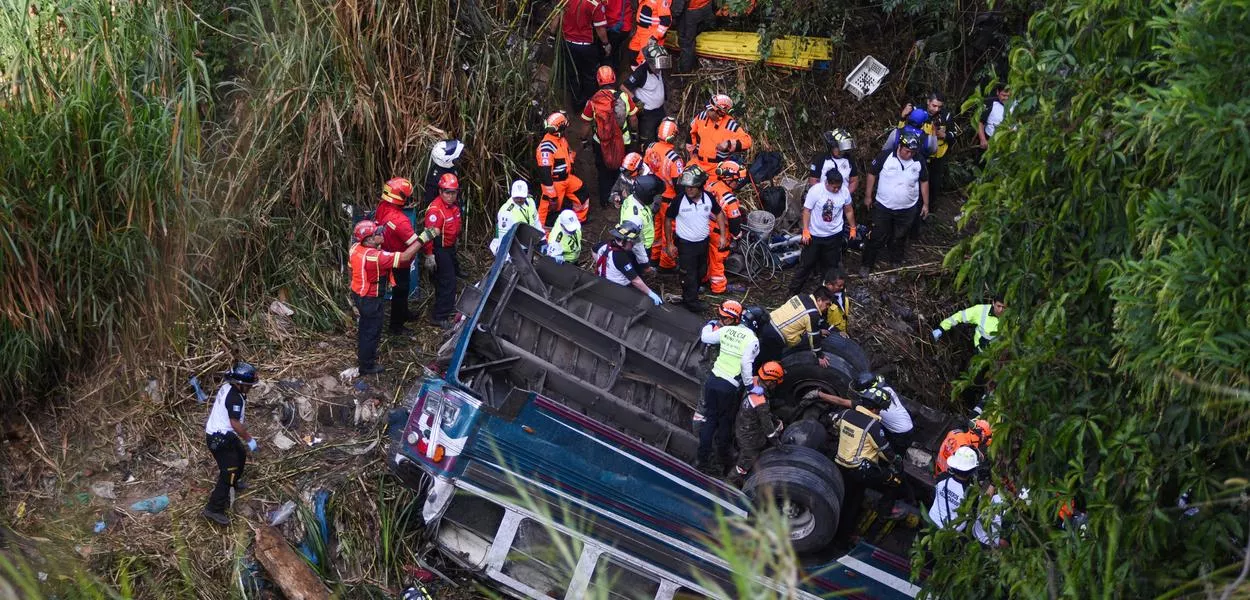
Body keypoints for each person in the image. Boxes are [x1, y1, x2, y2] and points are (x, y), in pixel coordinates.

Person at [350, 220, 433, 373]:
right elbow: (405, 257)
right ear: (369, 240)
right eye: (377, 233)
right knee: (371, 330)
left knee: (366, 327)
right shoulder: (375, 257)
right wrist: (423, 238)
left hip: (358, 293)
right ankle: (366, 366)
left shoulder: (356, 248)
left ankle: (366, 355)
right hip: (370, 298)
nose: (382, 233)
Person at [833, 385, 910, 538]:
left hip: (840, 464)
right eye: (880, 409)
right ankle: (882, 516)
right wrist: (897, 461)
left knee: (850, 498)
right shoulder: (872, 425)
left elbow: (836, 424)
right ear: (874, 409)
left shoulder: (845, 414)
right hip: (860, 470)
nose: (880, 412)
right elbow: (885, 452)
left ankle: (840, 531)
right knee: (895, 481)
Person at [694, 300, 757, 474]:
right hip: (728, 386)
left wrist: (709, 325)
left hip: (712, 381)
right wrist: (750, 385)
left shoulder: (725, 331)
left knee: (710, 419)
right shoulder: (751, 339)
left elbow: (706, 337)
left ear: (733, 319)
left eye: (723, 318)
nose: (720, 320)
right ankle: (723, 459)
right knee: (724, 422)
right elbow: (746, 364)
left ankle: (702, 459)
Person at [861, 133, 929, 274]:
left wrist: (926, 204)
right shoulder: (886, 156)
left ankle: (895, 264)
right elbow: (872, 173)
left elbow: (924, 181)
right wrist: (868, 195)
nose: (910, 154)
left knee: (900, 237)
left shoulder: (919, 160)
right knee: (876, 235)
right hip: (883, 206)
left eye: (913, 152)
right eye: (907, 151)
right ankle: (867, 264)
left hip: (907, 208)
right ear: (900, 146)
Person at [201, 362, 260, 525]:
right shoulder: (235, 397)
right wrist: (249, 439)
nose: (250, 388)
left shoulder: (228, 387)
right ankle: (213, 509)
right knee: (228, 471)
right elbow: (235, 423)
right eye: (248, 385)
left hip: (224, 433)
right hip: (219, 438)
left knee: (240, 454)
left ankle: (234, 481)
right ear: (239, 383)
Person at [664, 166, 728, 312]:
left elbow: (719, 213)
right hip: (686, 245)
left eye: (692, 187)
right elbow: (668, 219)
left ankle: (692, 293)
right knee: (689, 274)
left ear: (700, 186)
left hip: (703, 243)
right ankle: (691, 303)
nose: (689, 190)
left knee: (701, 271)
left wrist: (723, 236)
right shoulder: (679, 200)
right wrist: (669, 244)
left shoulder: (708, 198)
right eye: (687, 187)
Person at [788, 169, 857, 296]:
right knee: (806, 264)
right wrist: (805, 230)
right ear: (827, 183)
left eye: (839, 187)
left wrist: (853, 227)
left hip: (834, 235)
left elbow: (848, 210)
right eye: (834, 187)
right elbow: (807, 211)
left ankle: (826, 293)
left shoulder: (844, 191)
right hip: (815, 235)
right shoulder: (816, 191)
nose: (837, 190)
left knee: (831, 266)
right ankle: (793, 291)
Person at [582, 66, 639, 209]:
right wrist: (634, 133)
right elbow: (633, 119)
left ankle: (604, 201)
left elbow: (586, 124)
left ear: (598, 80)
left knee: (603, 171)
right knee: (623, 169)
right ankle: (621, 200)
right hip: (623, 140)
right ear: (614, 78)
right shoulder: (624, 97)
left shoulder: (593, 101)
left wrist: (584, 140)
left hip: (601, 142)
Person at [375, 177, 421, 335]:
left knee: (400, 290)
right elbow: (415, 243)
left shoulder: (382, 207)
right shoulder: (400, 221)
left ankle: (404, 312)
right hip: (401, 260)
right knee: (401, 291)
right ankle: (396, 326)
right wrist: (428, 236)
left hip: (387, 253)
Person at [729, 361, 786, 486]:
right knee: (747, 459)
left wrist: (773, 418)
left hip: (740, 422)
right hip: (749, 435)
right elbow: (768, 430)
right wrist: (778, 444)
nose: (776, 386)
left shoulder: (753, 380)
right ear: (770, 382)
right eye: (776, 383)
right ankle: (731, 480)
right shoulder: (762, 403)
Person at [643, 117, 685, 270]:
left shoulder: (650, 147)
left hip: (653, 197)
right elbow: (679, 185)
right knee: (669, 233)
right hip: (668, 200)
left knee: (656, 229)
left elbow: (645, 168)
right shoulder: (674, 159)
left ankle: (654, 258)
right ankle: (667, 264)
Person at [555, 0, 610, 111]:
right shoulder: (594, 4)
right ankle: (586, 106)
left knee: (572, 74)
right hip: (585, 46)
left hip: (568, 44)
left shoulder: (565, 1)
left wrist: (552, 35)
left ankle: (575, 103)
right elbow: (600, 29)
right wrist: (606, 44)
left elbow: (556, 17)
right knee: (589, 76)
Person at [423, 174, 462, 330]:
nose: (451, 196)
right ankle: (439, 316)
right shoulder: (436, 210)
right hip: (439, 249)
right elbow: (428, 234)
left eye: (454, 192)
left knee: (449, 280)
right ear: (440, 191)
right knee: (447, 282)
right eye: (447, 192)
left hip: (450, 248)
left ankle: (446, 306)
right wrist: (429, 254)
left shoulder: (453, 206)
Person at [591, 221, 664, 305]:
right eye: (632, 243)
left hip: (603, 280)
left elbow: (593, 250)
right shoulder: (621, 257)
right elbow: (635, 281)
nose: (633, 245)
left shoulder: (604, 244)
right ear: (624, 241)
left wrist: (602, 264)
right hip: (620, 289)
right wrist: (650, 293)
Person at [901, 92, 956, 202]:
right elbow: (903, 130)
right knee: (915, 182)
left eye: (939, 107)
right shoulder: (917, 111)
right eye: (934, 106)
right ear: (928, 102)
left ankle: (930, 208)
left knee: (934, 184)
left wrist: (945, 135)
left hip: (938, 157)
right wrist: (903, 115)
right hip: (918, 154)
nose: (936, 109)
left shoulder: (946, 115)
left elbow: (954, 134)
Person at [702, 160, 747, 295]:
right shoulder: (729, 199)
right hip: (719, 233)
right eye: (737, 180)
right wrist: (737, 235)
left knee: (706, 256)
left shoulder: (711, 186)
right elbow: (734, 221)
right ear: (728, 179)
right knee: (718, 259)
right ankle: (718, 287)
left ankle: (704, 279)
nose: (738, 183)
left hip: (705, 227)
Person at [536, 111, 587, 227]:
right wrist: (552, 196)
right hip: (555, 183)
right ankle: (543, 232)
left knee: (581, 193)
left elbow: (568, 155)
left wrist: (578, 150)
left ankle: (578, 220)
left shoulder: (561, 140)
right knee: (550, 211)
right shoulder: (546, 147)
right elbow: (545, 174)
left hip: (567, 178)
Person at [758, 288, 833, 365]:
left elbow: (798, 320)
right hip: (776, 335)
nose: (827, 307)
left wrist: (818, 332)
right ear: (819, 300)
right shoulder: (813, 314)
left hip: (767, 322)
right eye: (827, 304)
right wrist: (820, 355)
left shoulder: (801, 296)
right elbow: (814, 338)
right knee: (774, 366)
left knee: (759, 353)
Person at [623, 41, 671, 146]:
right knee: (648, 140)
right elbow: (623, 87)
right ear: (650, 62)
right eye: (657, 66)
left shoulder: (659, 69)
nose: (659, 68)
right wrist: (635, 100)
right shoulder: (641, 72)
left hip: (660, 110)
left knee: (662, 136)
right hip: (647, 114)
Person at [688, 94, 752, 172]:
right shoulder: (702, 116)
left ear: (720, 112)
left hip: (717, 168)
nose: (707, 111)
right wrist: (692, 153)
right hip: (697, 163)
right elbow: (691, 132)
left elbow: (747, 141)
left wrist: (728, 144)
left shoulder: (730, 125)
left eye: (711, 109)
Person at [929, 446, 982, 529]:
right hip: (950, 532)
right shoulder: (970, 492)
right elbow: (976, 510)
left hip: (931, 520)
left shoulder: (942, 477)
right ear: (972, 470)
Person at [618, 173, 662, 268]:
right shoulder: (635, 216)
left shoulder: (633, 198)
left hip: (641, 246)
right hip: (639, 250)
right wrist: (645, 265)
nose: (654, 198)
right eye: (653, 196)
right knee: (639, 272)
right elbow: (635, 243)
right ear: (646, 194)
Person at [932, 298, 1005, 351]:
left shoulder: (1010, 315)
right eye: (998, 306)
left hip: (1002, 353)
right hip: (981, 351)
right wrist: (942, 328)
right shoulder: (981, 310)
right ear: (993, 303)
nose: (1001, 310)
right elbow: (960, 316)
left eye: (1004, 307)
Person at [491, 180, 542, 254]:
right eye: (517, 197)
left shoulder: (530, 202)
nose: (519, 199)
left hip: (529, 244)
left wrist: (542, 240)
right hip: (513, 248)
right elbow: (503, 237)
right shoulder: (506, 212)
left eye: (522, 197)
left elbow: (536, 221)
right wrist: (506, 257)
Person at [807, 128, 859, 195]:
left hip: (843, 197)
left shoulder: (849, 161)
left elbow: (854, 181)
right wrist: (822, 196)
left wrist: (846, 195)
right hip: (822, 197)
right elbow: (813, 181)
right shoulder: (820, 159)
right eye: (838, 148)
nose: (841, 151)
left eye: (843, 149)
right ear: (832, 146)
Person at [626, 0, 672, 66]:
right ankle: (636, 69)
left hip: (651, 33)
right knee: (633, 49)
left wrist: (655, 36)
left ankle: (644, 71)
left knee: (645, 58)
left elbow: (666, 21)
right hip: (641, 31)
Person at [673, 0, 713, 72]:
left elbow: (678, 7)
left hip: (690, 12)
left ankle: (685, 73)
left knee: (686, 44)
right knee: (692, 39)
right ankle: (694, 65)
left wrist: (672, 15)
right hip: (706, 7)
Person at [424, 139, 464, 205]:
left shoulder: (450, 168)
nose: (458, 159)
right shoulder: (435, 177)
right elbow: (430, 199)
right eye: (455, 159)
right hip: (442, 207)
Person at [977, 85, 1011, 150]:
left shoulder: (1016, 104)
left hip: (1010, 142)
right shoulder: (990, 103)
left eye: (1008, 96)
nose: (1006, 98)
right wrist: (983, 139)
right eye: (1003, 95)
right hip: (991, 141)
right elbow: (981, 123)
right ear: (997, 92)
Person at [603, 0, 633, 69]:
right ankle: (616, 68)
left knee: (608, 54)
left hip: (612, 27)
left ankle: (610, 71)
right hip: (624, 26)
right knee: (616, 52)